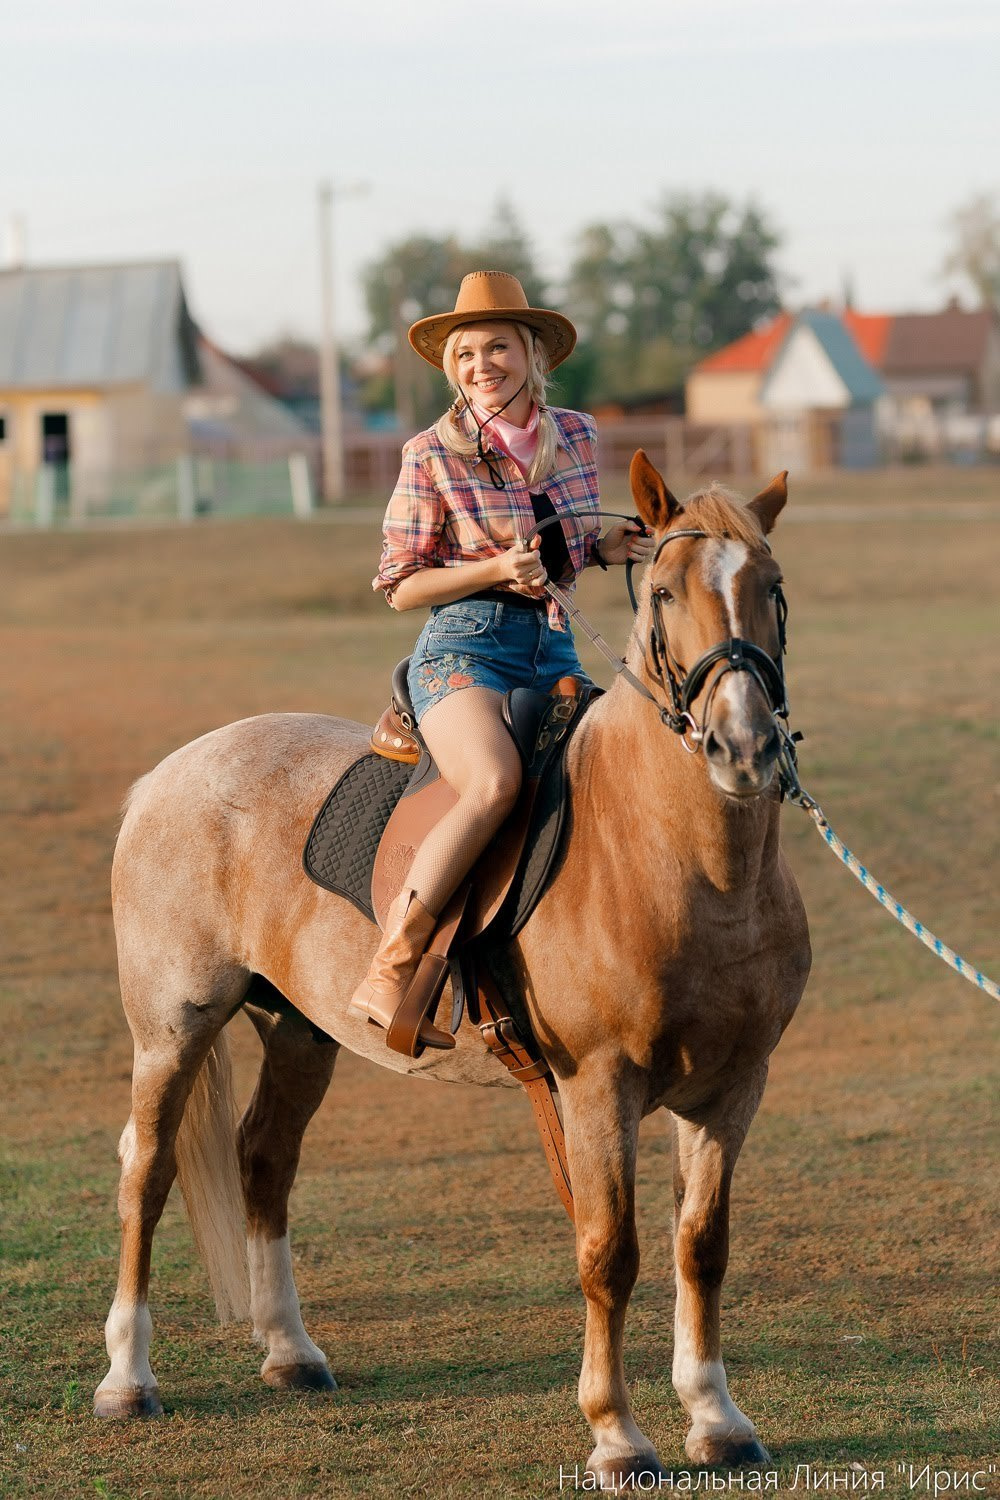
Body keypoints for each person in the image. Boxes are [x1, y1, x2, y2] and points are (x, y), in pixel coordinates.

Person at [349, 271, 653, 1043]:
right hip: (465, 649)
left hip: (554, 643)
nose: (482, 365)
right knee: (492, 783)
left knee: (617, 779)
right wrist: (492, 570)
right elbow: (398, 584)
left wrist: (607, 545)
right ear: (450, 368)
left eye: (497, 348)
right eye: (465, 353)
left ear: (530, 355)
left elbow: (570, 539)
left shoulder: (579, 435)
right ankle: (394, 963)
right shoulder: (429, 454)